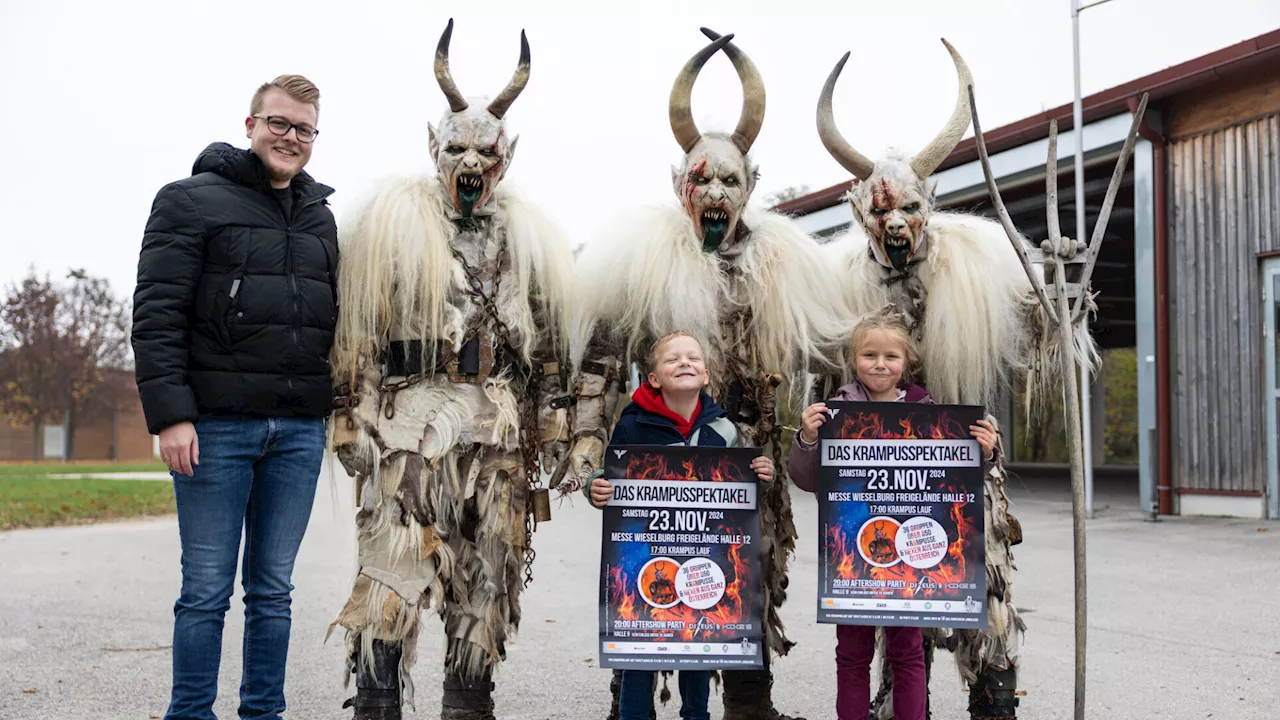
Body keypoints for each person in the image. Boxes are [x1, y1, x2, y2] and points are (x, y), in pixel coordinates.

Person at [561, 30, 850, 720]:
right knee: (650, 565)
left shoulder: (786, 265)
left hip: (745, 450)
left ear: (751, 187)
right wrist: (586, 450)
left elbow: (836, 349)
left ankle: (749, 701)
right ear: (677, 183)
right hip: (658, 454)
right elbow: (599, 362)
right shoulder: (638, 259)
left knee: (753, 570)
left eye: (729, 180)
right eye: (702, 178)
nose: (715, 191)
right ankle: (628, 695)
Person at [327, 20, 574, 720]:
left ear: (507, 156)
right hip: (407, 422)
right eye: (456, 146)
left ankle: (469, 703)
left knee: (487, 575)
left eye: (485, 149)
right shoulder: (389, 226)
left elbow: (549, 350)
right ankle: (377, 706)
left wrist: (552, 430)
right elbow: (359, 332)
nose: (471, 159)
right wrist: (352, 419)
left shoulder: (531, 238)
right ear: (432, 148)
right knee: (393, 564)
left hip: (494, 428)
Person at [131, 74, 336, 720]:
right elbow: (157, 314)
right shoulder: (188, 202)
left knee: (273, 590)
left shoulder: (320, 217)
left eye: (303, 129)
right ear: (249, 125)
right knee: (206, 590)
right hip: (214, 428)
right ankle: (189, 713)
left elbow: (336, 321)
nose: (290, 138)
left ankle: (262, 713)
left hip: (298, 432)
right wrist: (171, 416)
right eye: (279, 123)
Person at [786, 308, 998, 720]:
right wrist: (808, 438)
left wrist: (986, 452)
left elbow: (954, 480)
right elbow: (808, 480)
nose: (880, 364)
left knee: (908, 654)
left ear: (907, 362)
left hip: (912, 559)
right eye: (869, 355)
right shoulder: (834, 412)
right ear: (853, 360)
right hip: (852, 557)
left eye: (891, 357)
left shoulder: (928, 410)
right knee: (851, 655)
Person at [588, 331, 775, 720]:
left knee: (698, 648)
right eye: (673, 359)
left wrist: (759, 472)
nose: (684, 363)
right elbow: (615, 479)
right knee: (640, 652)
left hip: (704, 559)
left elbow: (736, 488)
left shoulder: (723, 430)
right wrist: (598, 486)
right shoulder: (632, 427)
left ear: (706, 374)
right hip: (646, 558)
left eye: (692, 358)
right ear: (653, 378)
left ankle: (697, 715)